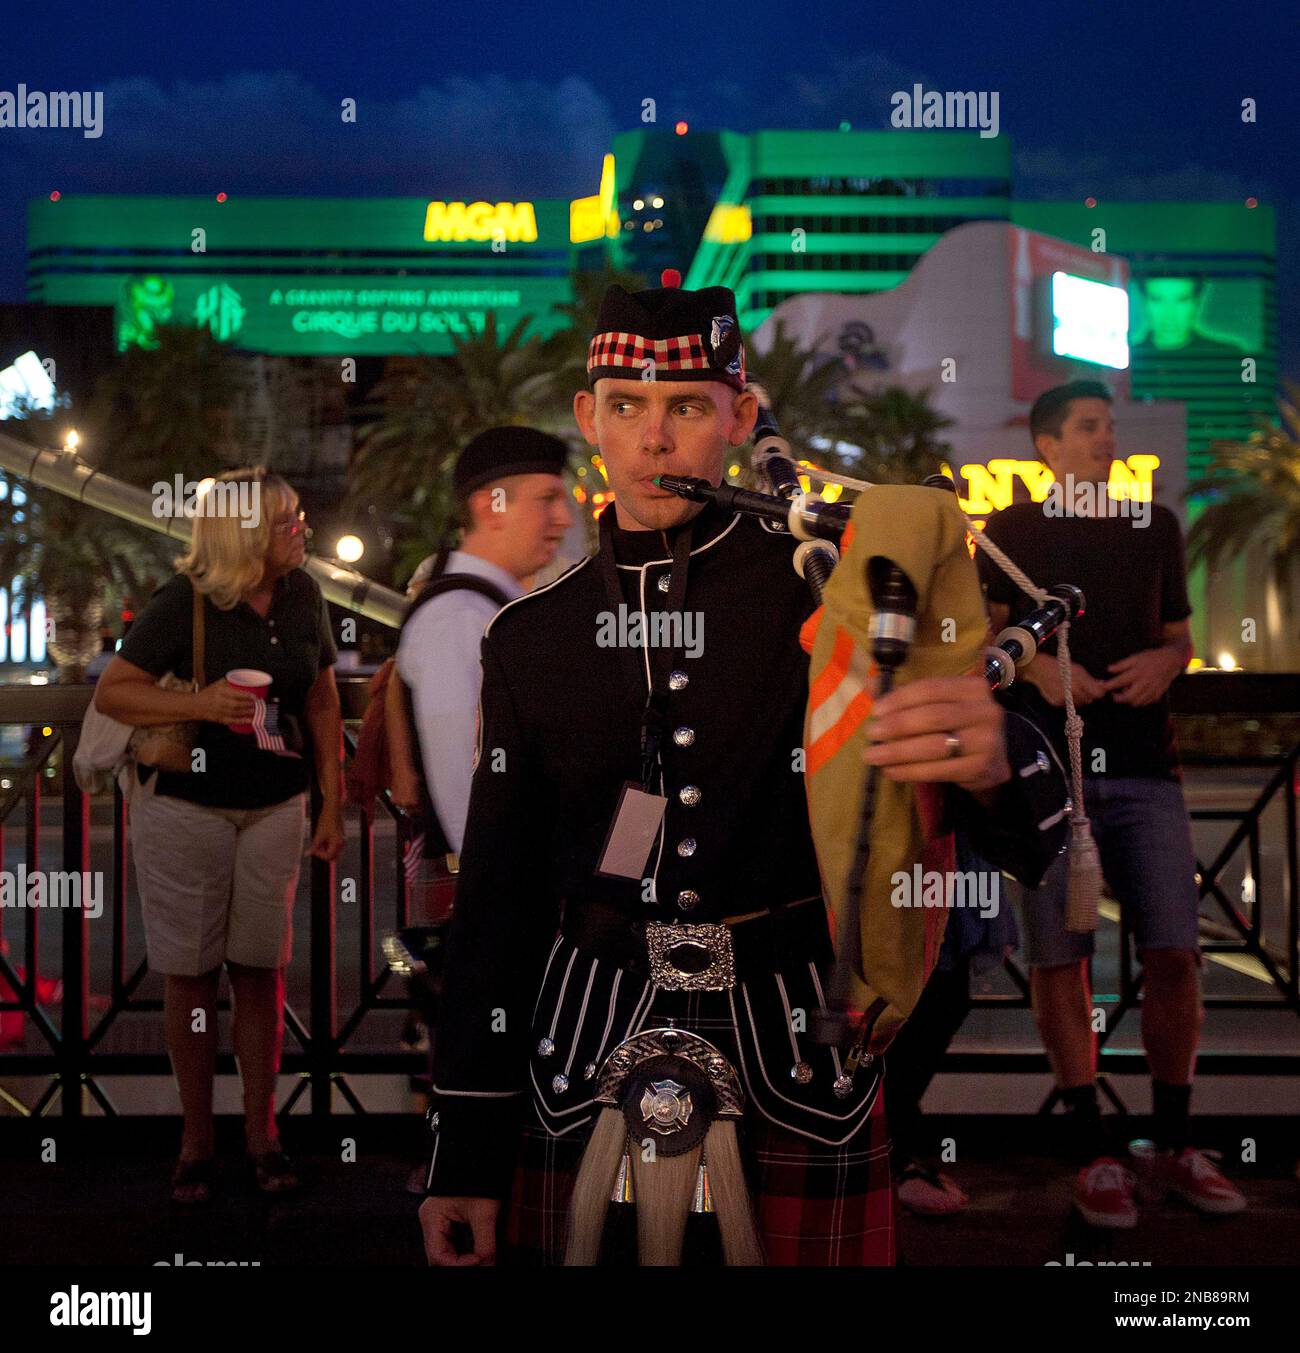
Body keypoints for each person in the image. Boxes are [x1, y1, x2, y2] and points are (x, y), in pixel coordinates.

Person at [416, 280, 1074, 1267]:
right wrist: (463, 1147)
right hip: (583, 1035)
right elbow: (499, 906)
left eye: (685, 406)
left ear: (741, 415)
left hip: (800, 1032)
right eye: (626, 407)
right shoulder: (527, 639)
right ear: (589, 419)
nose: (655, 439)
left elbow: (1029, 827)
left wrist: (992, 761)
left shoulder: (841, 591)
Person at [977, 380, 1245, 1228]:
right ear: (1047, 445)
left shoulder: (1155, 525)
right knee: (1060, 959)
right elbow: (986, 645)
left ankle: (1173, 1141)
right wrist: (1037, 667)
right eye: (1089, 428)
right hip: (1051, 782)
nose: (1106, 438)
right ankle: (1092, 1150)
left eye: (1110, 426)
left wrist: (1171, 664)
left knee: (1175, 951)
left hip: (1148, 769)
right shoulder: (1013, 531)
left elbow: (1179, 636)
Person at [95, 467, 345, 1205]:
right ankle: (196, 1142)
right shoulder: (186, 601)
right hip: (187, 808)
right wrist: (204, 700)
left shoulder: (304, 595)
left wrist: (331, 805)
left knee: (259, 970)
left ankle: (262, 1136)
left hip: (276, 803)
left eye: (299, 517)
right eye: (287, 521)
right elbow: (115, 690)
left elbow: (325, 700)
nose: (302, 529)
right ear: (243, 533)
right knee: (192, 973)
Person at [389, 427, 572, 858]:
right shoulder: (458, 620)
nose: (563, 518)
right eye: (546, 500)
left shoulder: (494, 608)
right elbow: (467, 795)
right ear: (491, 506)